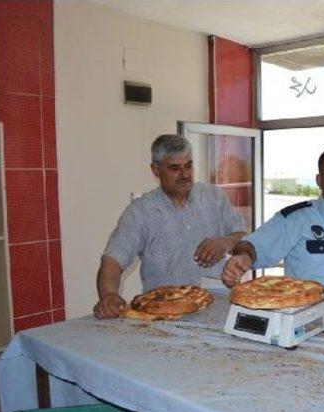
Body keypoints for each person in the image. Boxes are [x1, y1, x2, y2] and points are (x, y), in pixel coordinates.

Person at [93, 134, 247, 318]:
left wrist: (225, 242)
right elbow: (113, 260)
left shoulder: (213, 197)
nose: (185, 175)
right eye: (175, 168)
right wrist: (109, 296)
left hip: (219, 305)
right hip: (164, 312)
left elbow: (243, 236)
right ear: (156, 170)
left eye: (188, 165)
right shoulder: (140, 212)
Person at [222, 146, 324, 304]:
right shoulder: (296, 219)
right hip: (307, 321)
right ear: (320, 181)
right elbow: (253, 246)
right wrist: (244, 256)